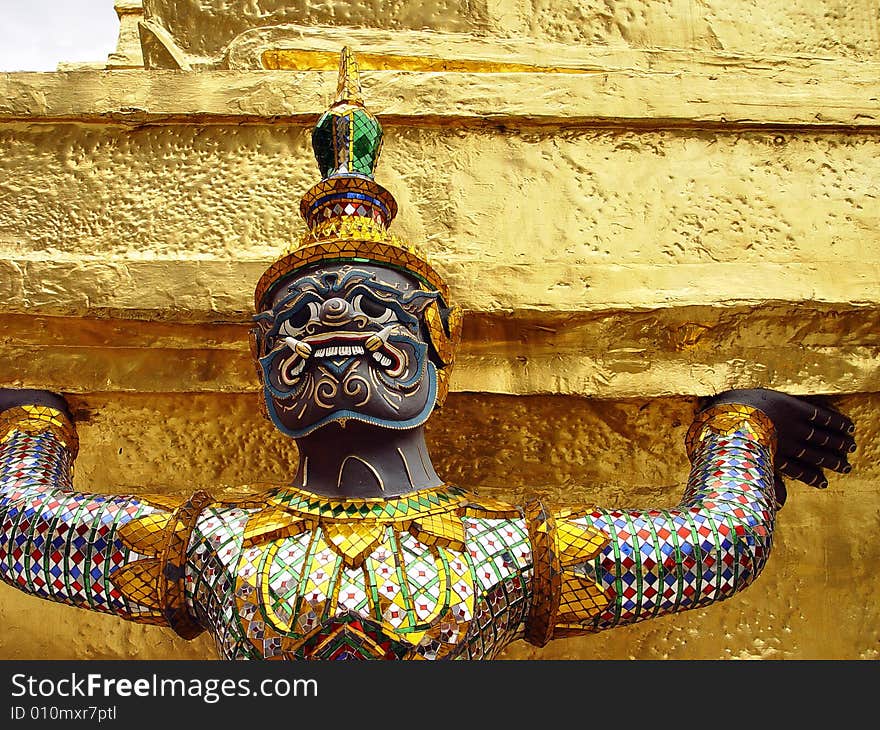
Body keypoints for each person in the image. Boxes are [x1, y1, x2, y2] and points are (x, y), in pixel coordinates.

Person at [0, 50, 855, 660]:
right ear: (261, 362)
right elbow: (20, 527)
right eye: (297, 322)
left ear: (437, 350)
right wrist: (27, 417)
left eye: (373, 311)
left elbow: (716, 547)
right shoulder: (217, 545)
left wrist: (745, 428)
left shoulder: (511, 547)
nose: (330, 327)